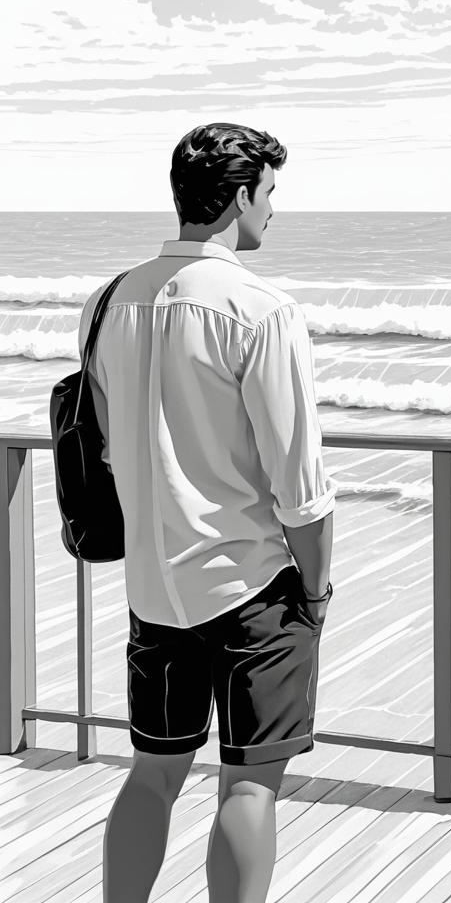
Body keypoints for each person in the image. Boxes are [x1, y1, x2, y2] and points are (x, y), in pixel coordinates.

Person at [80, 122, 338, 903]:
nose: (272, 210)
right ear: (237, 197)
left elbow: (106, 432)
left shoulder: (108, 301)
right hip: (250, 585)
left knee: (153, 776)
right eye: (268, 193)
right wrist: (317, 591)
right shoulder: (259, 309)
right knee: (249, 789)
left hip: (152, 589)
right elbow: (300, 485)